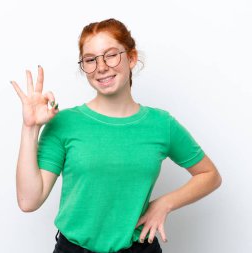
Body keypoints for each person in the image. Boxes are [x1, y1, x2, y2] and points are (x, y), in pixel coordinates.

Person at [11, 18, 222, 253]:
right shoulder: (64, 123)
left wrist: (165, 203)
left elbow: (209, 175)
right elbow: (29, 201)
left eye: (111, 55)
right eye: (90, 60)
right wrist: (30, 127)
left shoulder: (162, 124)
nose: (101, 67)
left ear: (131, 58)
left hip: (138, 248)